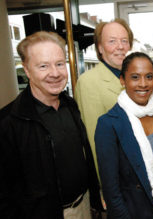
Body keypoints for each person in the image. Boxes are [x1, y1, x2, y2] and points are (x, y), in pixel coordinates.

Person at [0, 31, 102, 219]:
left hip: (84, 206)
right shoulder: (8, 122)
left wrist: (94, 201)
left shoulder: (70, 105)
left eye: (59, 64)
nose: (54, 73)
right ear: (27, 70)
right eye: (43, 66)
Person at [95, 52, 153, 219]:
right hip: (137, 211)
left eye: (149, 76)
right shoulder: (108, 124)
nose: (143, 84)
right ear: (122, 80)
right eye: (135, 77)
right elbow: (111, 188)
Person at [75, 18, 133, 177]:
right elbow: (95, 142)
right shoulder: (88, 82)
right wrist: (105, 188)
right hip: (117, 176)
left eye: (124, 41)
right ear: (100, 48)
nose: (120, 46)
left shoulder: (132, 76)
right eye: (112, 41)